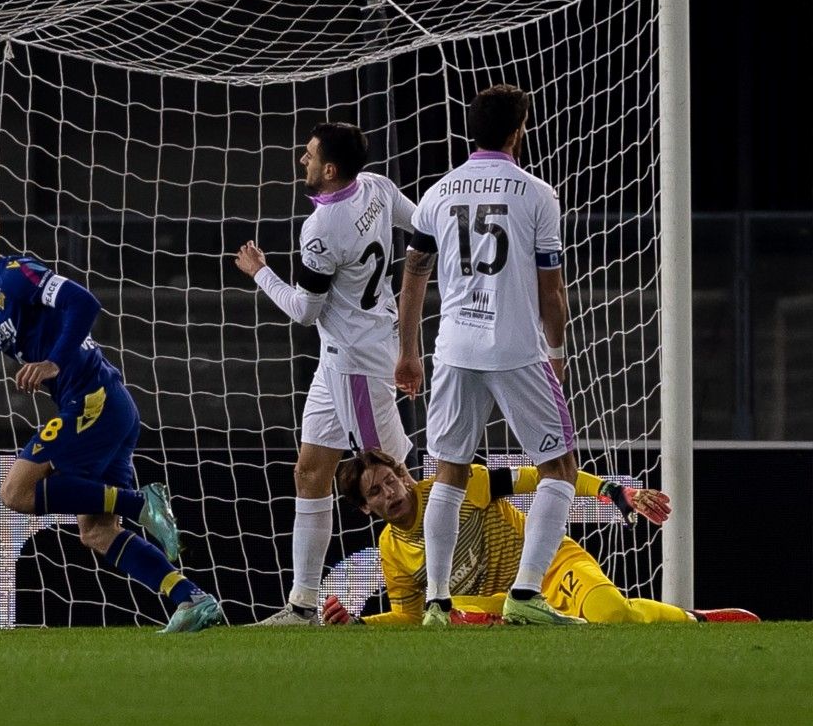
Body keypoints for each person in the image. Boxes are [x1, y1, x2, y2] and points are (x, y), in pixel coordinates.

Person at [0, 195, 223, 633]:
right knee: (98, 533)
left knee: (16, 493)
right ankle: (192, 599)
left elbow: (83, 302)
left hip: (94, 399)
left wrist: (54, 363)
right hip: (100, 408)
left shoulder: (15, 273)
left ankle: (141, 502)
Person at [397, 84, 585, 626]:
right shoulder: (536, 194)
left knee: (448, 474)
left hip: (454, 348)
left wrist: (407, 352)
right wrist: (556, 351)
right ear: (517, 131)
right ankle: (526, 593)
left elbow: (413, 277)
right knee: (559, 467)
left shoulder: (437, 193)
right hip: (515, 348)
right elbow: (552, 291)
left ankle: (436, 601)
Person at [237, 122, 418, 626]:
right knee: (310, 473)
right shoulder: (378, 186)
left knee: (397, 478)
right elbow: (425, 227)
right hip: (341, 359)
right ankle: (301, 605)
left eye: (310, 154)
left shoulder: (320, 232)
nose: (303, 159)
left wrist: (260, 273)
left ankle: (452, 583)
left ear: (330, 169)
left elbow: (304, 311)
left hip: (358, 365)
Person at [324, 449, 757, 626]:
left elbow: (548, 476)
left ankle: (694, 620)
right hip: (498, 601)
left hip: (549, 565)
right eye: (375, 492)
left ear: (402, 475)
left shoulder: (456, 486)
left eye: (390, 480)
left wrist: (613, 491)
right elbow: (410, 617)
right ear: (366, 509)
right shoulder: (391, 550)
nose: (390, 493)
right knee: (448, 619)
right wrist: (360, 623)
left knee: (615, 619)